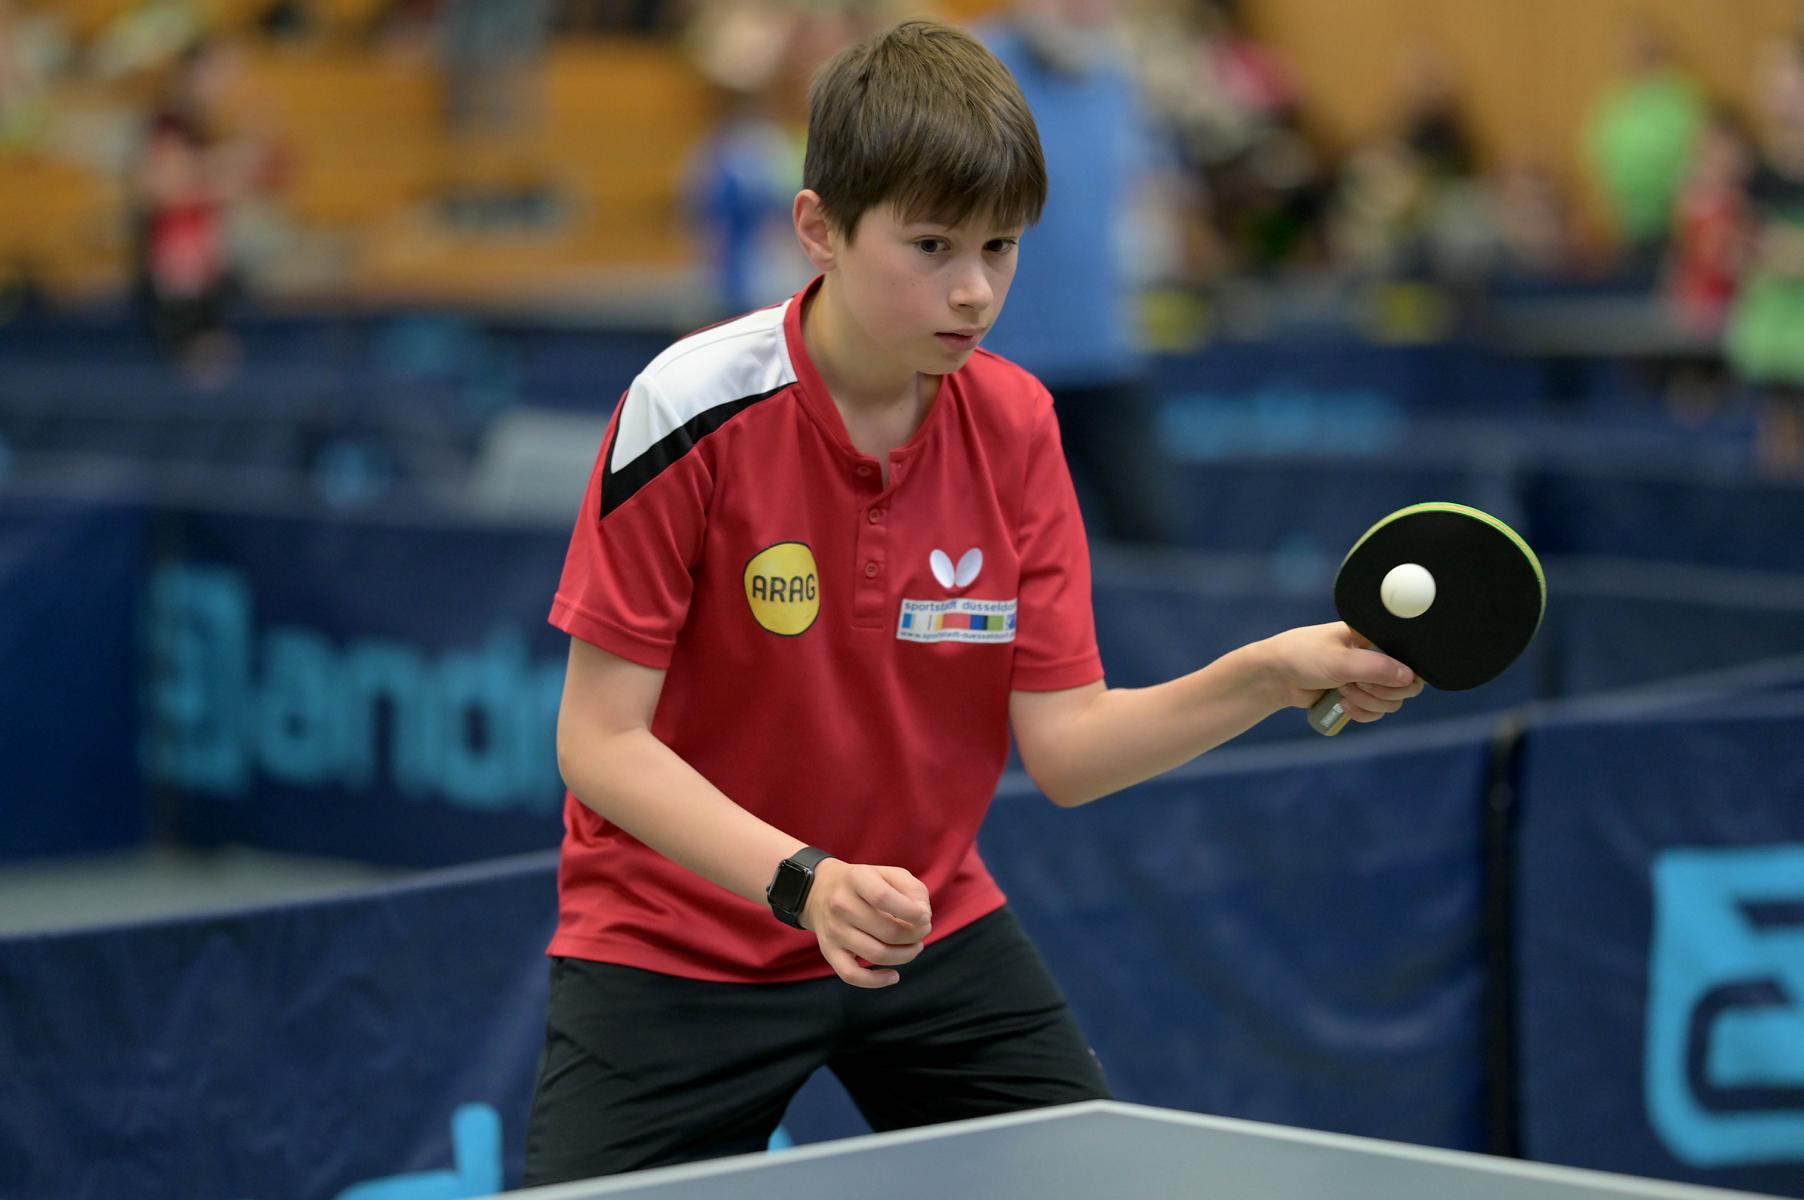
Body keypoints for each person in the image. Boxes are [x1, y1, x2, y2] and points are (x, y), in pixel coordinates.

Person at [524, 18, 1423, 1185]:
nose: (974, 290)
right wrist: (805, 882)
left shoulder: (1016, 425)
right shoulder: (687, 409)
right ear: (820, 229)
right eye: (932, 245)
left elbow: (1068, 749)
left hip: (922, 922)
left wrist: (1265, 674)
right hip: (678, 941)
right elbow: (597, 741)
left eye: (1001, 247)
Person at [978, 0, 1185, 545]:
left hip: (1105, 353)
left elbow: (1152, 192)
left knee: (1153, 535)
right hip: (996, 361)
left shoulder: (1119, 78)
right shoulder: (971, 67)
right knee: (1004, 547)